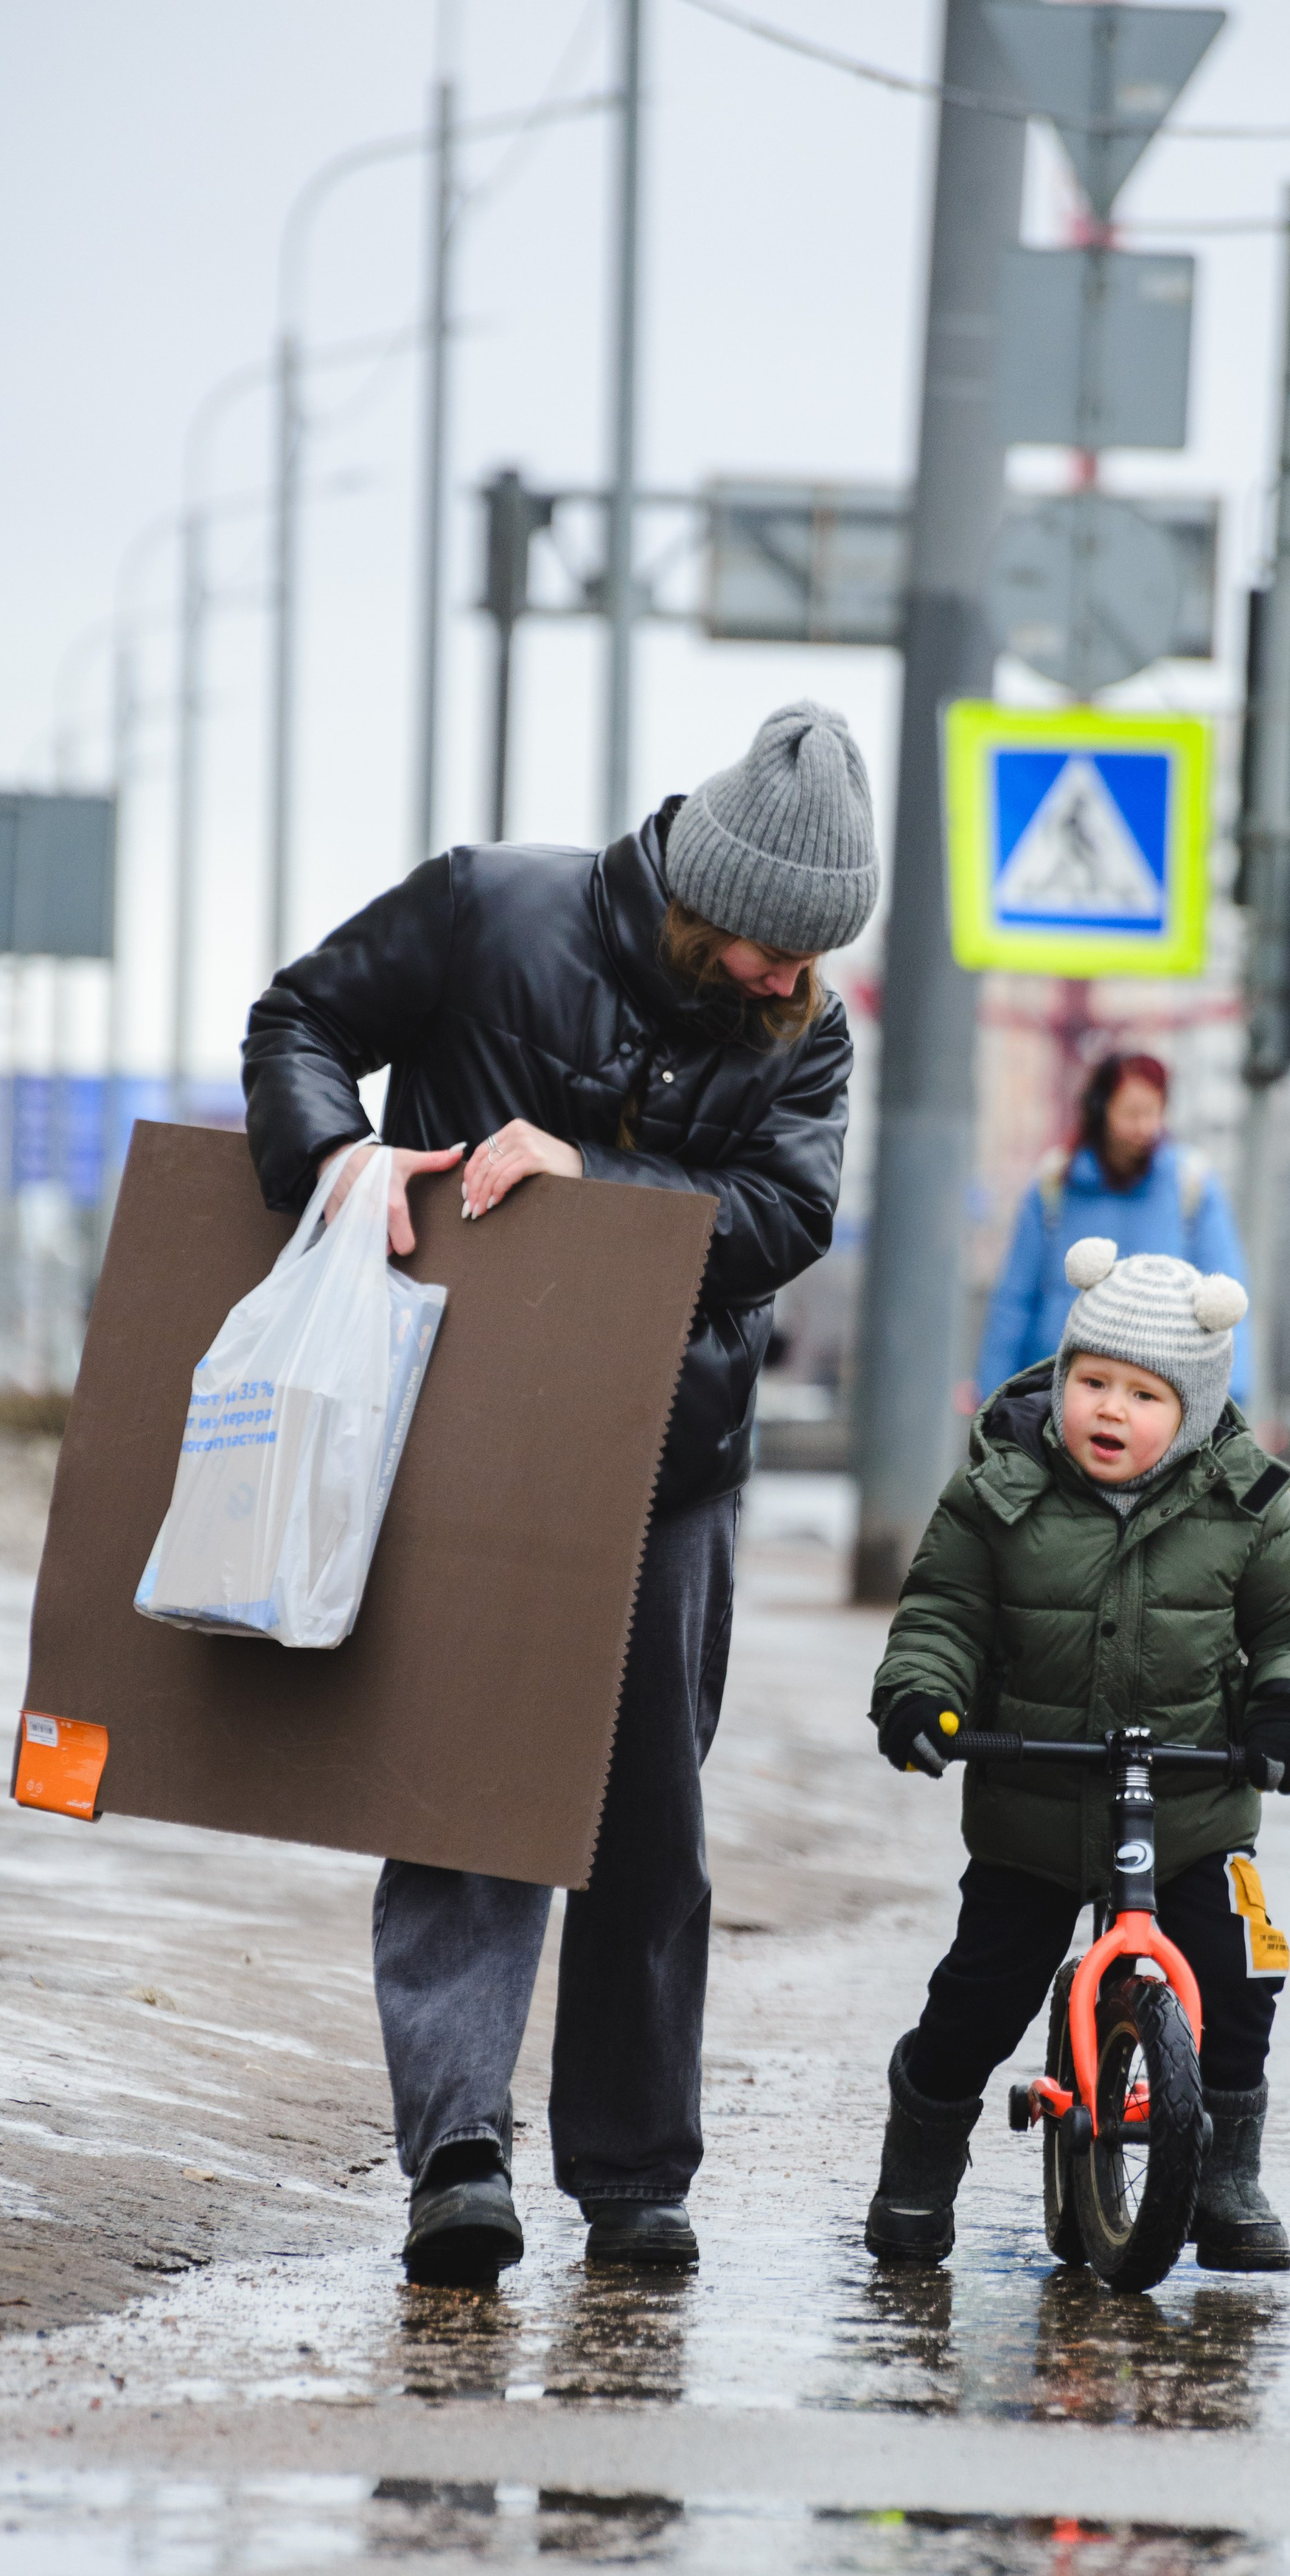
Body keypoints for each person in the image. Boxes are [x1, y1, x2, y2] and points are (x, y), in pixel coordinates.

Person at [242, 700, 878, 2284]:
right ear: (699, 891)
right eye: (763, 949)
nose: (784, 985)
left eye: (809, 962)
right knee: (466, 1786)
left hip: (674, 1460)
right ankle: (458, 2150)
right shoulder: (484, 907)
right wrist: (334, 1164)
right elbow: (297, 1023)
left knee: (649, 1829)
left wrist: (600, 1185)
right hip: (454, 1429)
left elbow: (788, 1215)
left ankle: (634, 2179)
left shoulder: (812, 1031)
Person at [862, 1239, 1290, 2274]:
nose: (1109, 1409)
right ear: (1061, 1379)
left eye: (1142, 1393)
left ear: (1196, 1409)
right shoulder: (1000, 1489)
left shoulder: (1245, 1504)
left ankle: (1224, 2173)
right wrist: (923, 1692)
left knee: (1238, 1971)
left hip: (1192, 1809)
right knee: (978, 1999)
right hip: (1033, 1809)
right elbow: (944, 1610)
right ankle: (917, 2172)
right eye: (1092, 1381)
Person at [975, 1053, 1254, 1406]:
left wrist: (1231, 1400)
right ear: (1100, 1110)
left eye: (1153, 1112)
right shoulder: (1054, 1186)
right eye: (1131, 1113)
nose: (1144, 1126)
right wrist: (994, 1395)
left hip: (1159, 1397)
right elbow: (1015, 1299)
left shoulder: (1192, 1185)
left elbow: (1226, 1298)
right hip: (1054, 1394)